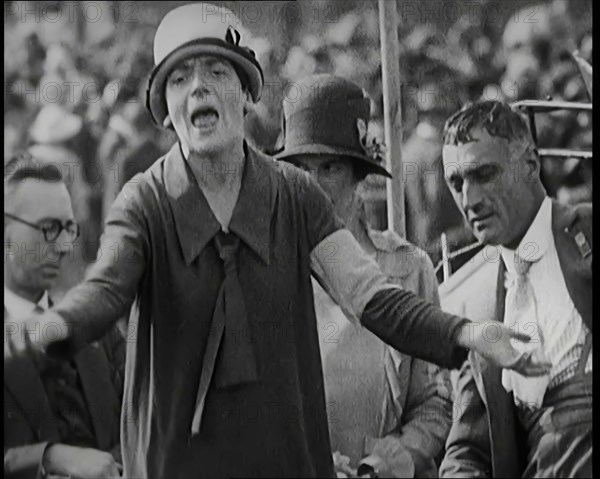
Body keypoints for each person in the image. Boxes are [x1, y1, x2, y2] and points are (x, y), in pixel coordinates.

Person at [5, 5, 549, 478]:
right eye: (179, 78)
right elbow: (106, 290)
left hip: (285, 461)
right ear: (166, 110)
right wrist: (55, 326)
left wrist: (470, 332)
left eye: (216, 70)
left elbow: (372, 296)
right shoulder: (145, 202)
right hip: (177, 464)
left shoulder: (294, 197)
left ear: (245, 93)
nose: (197, 87)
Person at [276, 74, 452, 478]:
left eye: (330, 167)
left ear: (358, 175)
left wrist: (383, 466)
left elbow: (434, 402)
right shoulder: (267, 272)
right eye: (299, 168)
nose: (312, 185)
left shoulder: (407, 270)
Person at [439, 101, 592, 478]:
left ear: (530, 164)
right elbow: (468, 449)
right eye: (456, 183)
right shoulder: (472, 307)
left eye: (484, 174)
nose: (469, 200)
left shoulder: (588, 233)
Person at [4, 152, 125, 479]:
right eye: (48, 228)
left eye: (69, 228)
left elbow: (143, 416)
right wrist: (50, 458)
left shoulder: (96, 325)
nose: (63, 246)